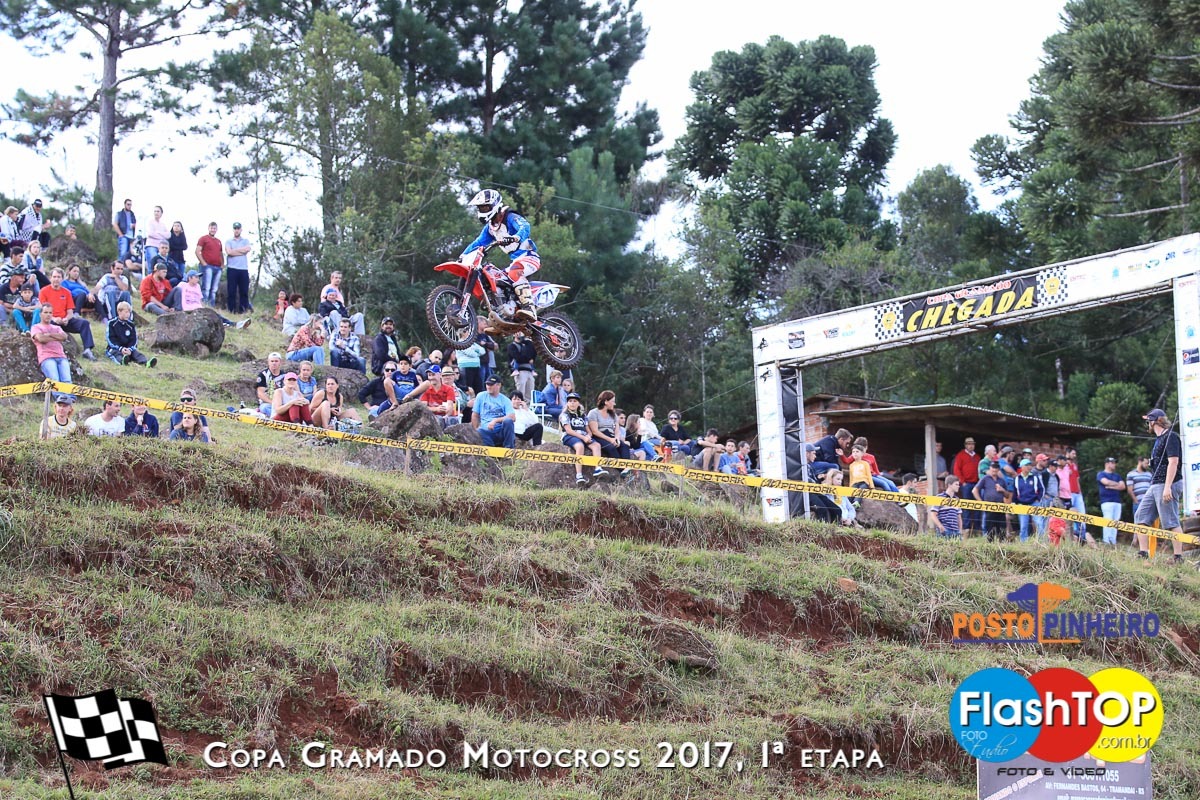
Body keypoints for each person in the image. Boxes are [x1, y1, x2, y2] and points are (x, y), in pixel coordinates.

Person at [461, 189, 542, 321]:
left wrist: (516, 237)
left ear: (495, 205)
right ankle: (505, 313)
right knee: (494, 279)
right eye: (480, 208)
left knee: (515, 271)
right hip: (515, 261)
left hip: (529, 257)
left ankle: (529, 308)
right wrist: (463, 256)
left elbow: (525, 226)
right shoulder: (490, 228)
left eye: (485, 207)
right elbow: (478, 243)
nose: (482, 210)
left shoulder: (509, 217)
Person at [1135, 409, 1186, 562]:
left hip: (1167, 483)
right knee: (1141, 516)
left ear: (1154, 421)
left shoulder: (1171, 437)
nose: (1147, 424)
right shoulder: (1159, 439)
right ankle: (1143, 553)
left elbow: (1173, 462)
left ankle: (1178, 557)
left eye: (1148, 421)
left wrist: (1167, 487)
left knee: (1170, 521)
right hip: (1156, 483)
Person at [39, 267, 97, 360]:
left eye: (58, 277)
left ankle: (87, 350)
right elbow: (43, 311)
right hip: (51, 320)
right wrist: (54, 318)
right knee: (50, 324)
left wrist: (67, 319)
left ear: (62, 279)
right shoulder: (44, 291)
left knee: (84, 323)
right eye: (54, 277)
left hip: (65, 320)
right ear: (50, 278)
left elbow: (70, 312)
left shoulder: (66, 292)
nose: (56, 279)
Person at [560, 392, 604, 484]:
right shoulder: (565, 415)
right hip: (570, 436)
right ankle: (579, 475)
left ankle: (598, 468)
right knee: (580, 446)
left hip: (583, 435)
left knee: (596, 445)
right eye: (570, 401)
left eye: (574, 401)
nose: (572, 403)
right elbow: (569, 430)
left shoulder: (583, 415)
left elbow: (589, 430)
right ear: (567, 403)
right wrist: (583, 438)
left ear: (578, 403)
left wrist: (588, 436)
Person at [105, 301, 157, 367]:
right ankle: (122, 361)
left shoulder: (131, 325)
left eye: (129, 312)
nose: (128, 314)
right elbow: (110, 339)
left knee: (136, 353)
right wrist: (120, 348)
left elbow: (134, 340)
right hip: (115, 348)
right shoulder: (112, 323)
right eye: (126, 312)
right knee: (116, 354)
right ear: (119, 312)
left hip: (128, 349)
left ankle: (146, 362)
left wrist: (129, 349)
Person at [31, 302, 71, 384]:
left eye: (50, 313)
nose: (48, 315)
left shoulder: (57, 327)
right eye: (45, 312)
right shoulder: (36, 327)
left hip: (61, 356)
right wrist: (56, 337)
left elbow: (64, 337)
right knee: (54, 381)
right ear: (40, 314)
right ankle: (58, 394)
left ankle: (68, 394)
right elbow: (41, 339)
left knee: (67, 381)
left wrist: (49, 334)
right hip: (47, 358)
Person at [473, 375, 516, 447]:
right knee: (479, 431)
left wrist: (495, 420)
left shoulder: (505, 400)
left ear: (499, 385)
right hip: (486, 431)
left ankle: (509, 448)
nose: (488, 387)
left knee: (508, 421)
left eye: (491, 385)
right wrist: (475, 430)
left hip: (501, 430)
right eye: (487, 384)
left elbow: (512, 417)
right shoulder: (481, 396)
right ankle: (491, 449)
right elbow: (475, 415)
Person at [973, 461, 1010, 541]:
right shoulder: (985, 478)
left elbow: (1007, 495)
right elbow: (975, 490)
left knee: (1002, 529)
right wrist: (981, 502)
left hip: (1000, 507)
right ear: (990, 468)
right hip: (989, 507)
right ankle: (990, 545)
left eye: (996, 468)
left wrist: (1002, 490)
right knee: (990, 529)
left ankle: (1002, 545)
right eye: (993, 467)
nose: (994, 469)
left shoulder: (1002, 480)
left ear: (998, 469)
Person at [1094, 457, 1126, 546]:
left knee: (1116, 521)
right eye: (1113, 463)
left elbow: (1123, 486)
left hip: (1117, 501)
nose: (1114, 465)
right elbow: (1106, 482)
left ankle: (1113, 541)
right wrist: (1116, 484)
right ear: (1107, 464)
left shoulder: (1117, 475)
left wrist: (1111, 486)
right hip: (1106, 501)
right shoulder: (1101, 474)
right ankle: (1106, 541)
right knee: (1108, 520)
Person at [953, 438, 981, 533]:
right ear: (965, 445)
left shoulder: (977, 457)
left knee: (977, 505)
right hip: (966, 484)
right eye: (969, 444)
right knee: (966, 506)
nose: (971, 446)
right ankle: (966, 528)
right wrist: (963, 482)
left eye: (972, 444)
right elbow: (956, 470)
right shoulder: (960, 455)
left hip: (976, 484)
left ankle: (977, 528)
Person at [1013, 458, 1044, 542]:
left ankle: (1042, 542)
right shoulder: (1017, 478)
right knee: (1023, 525)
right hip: (1022, 504)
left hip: (1034, 503)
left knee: (1039, 523)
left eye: (1030, 465)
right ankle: (1023, 543)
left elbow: (1041, 489)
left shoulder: (1035, 477)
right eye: (1027, 465)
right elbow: (1015, 492)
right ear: (1022, 467)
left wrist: (1038, 499)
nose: (1029, 467)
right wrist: (1015, 502)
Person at [224, 222, 252, 314]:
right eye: (235, 228)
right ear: (233, 230)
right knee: (231, 291)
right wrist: (241, 251)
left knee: (244, 291)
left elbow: (247, 249)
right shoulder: (229, 241)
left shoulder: (245, 241)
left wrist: (234, 251)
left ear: (241, 230)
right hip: (232, 268)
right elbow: (229, 252)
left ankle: (243, 311)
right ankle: (231, 311)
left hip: (243, 269)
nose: (236, 230)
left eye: (238, 229)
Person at [194, 222, 223, 306]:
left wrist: (222, 264)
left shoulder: (218, 241)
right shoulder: (203, 239)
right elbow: (197, 251)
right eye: (211, 228)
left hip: (218, 267)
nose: (213, 230)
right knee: (206, 287)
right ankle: (204, 306)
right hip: (207, 266)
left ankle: (211, 306)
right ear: (208, 228)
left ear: (216, 229)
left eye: (214, 228)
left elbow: (220, 253)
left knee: (214, 289)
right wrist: (203, 263)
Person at [507, 331, 537, 401]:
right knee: (520, 393)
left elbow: (533, 353)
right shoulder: (512, 346)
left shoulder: (526, 345)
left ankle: (527, 407)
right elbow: (517, 357)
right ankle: (519, 406)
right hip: (520, 371)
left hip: (529, 370)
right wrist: (528, 359)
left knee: (530, 394)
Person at [112, 198, 137, 271]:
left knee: (130, 253)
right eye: (128, 204)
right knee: (123, 253)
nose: (129, 206)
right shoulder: (119, 214)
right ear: (125, 204)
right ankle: (119, 267)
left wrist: (134, 226)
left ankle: (126, 268)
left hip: (132, 236)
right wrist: (120, 234)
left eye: (130, 205)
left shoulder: (132, 214)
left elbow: (136, 224)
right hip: (124, 235)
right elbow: (115, 224)